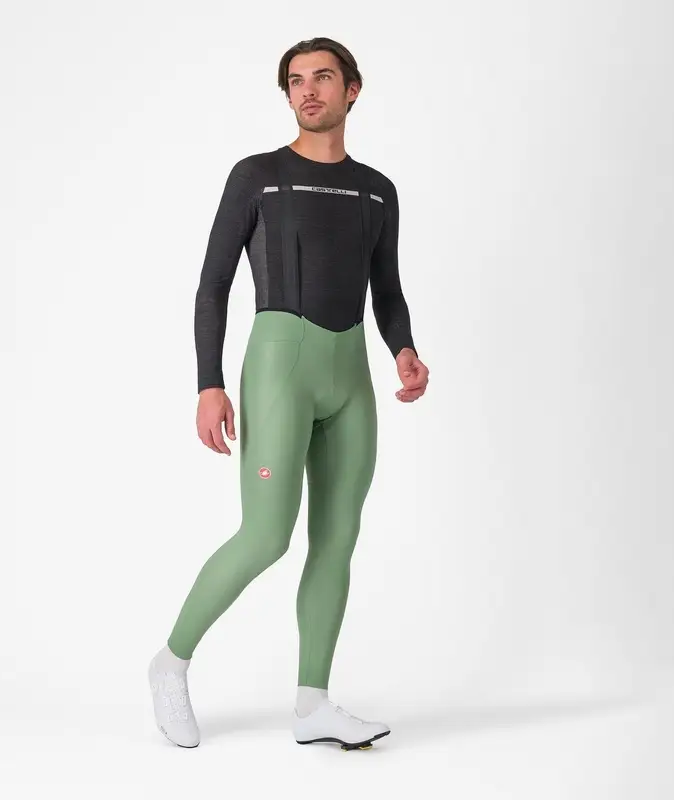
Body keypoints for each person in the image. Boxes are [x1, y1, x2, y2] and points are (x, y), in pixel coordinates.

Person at [148, 36, 429, 751]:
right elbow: (212, 286)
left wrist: (403, 349)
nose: (308, 91)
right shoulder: (259, 176)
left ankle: (313, 704)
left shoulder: (377, 190)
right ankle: (171, 663)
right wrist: (209, 383)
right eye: (296, 81)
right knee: (266, 535)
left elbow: (387, 289)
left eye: (323, 78)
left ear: (352, 90)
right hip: (280, 365)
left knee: (337, 539)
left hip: (351, 373)